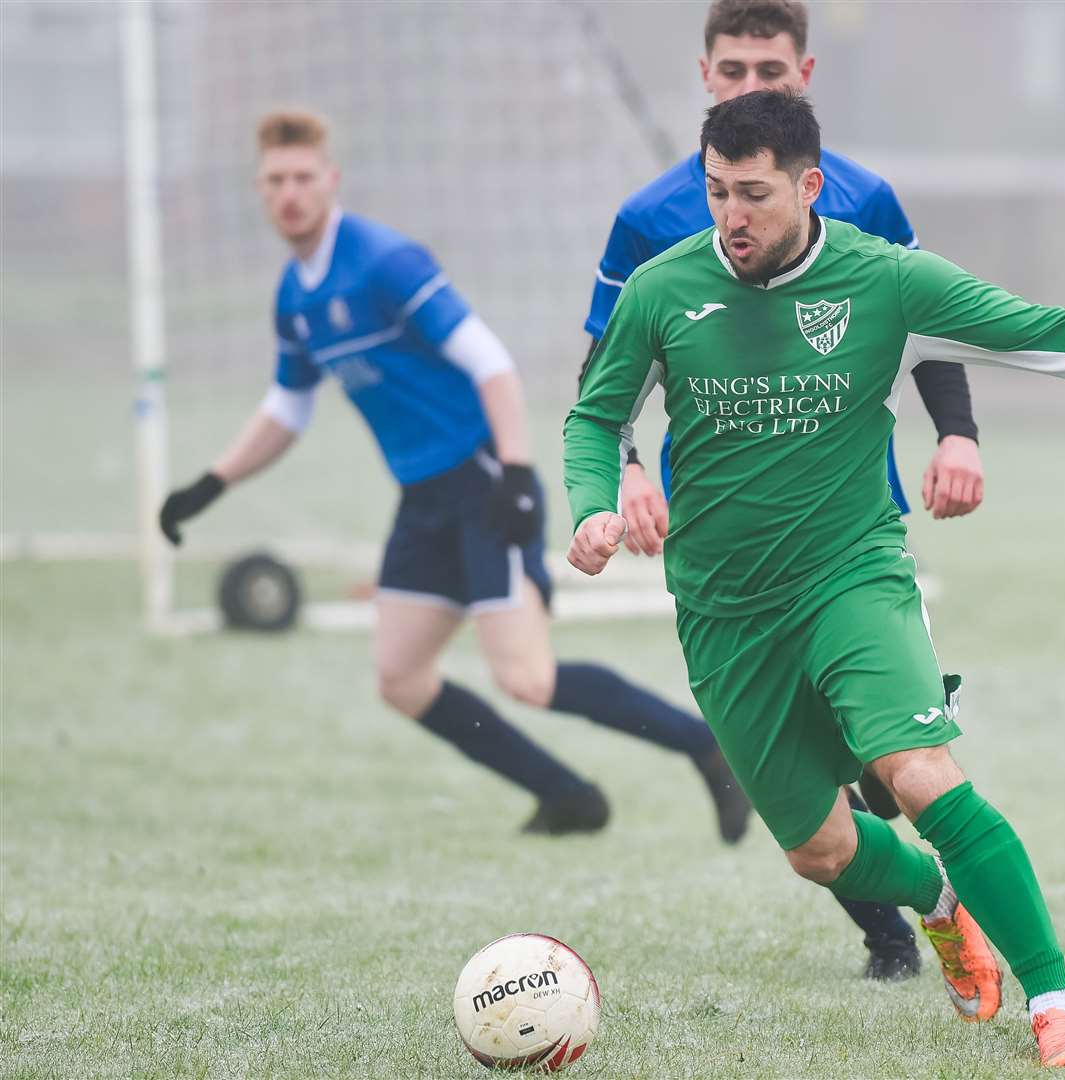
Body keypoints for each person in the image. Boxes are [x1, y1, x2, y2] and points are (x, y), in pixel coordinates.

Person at [564, 91, 1065, 1067]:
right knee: (820, 852)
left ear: (809, 186)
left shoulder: (884, 281)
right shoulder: (664, 289)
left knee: (919, 773)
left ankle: (1057, 1000)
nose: (730, 217)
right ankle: (937, 898)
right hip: (723, 609)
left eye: (752, 195)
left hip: (852, 576)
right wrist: (594, 502)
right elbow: (596, 415)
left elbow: (1050, 330)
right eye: (715, 193)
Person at [158, 110, 750, 845]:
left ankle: (701, 743)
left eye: (303, 177)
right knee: (400, 678)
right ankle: (568, 797)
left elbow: (491, 363)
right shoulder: (295, 294)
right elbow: (287, 405)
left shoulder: (384, 261)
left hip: (482, 483)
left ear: (330, 181)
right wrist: (211, 484)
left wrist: (517, 474)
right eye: (275, 181)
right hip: (423, 498)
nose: (290, 194)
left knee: (526, 677)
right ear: (259, 190)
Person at [582, 0, 975, 984]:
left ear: (804, 73)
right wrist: (624, 470)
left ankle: (930, 898)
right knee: (810, 777)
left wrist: (958, 432)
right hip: (721, 533)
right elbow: (605, 379)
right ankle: (896, 918)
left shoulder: (863, 196)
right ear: (704, 75)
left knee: (885, 760)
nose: (754, 84)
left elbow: (925, 320)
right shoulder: (650, 222)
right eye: (734, 68)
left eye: (772, 68)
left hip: (849, 514)